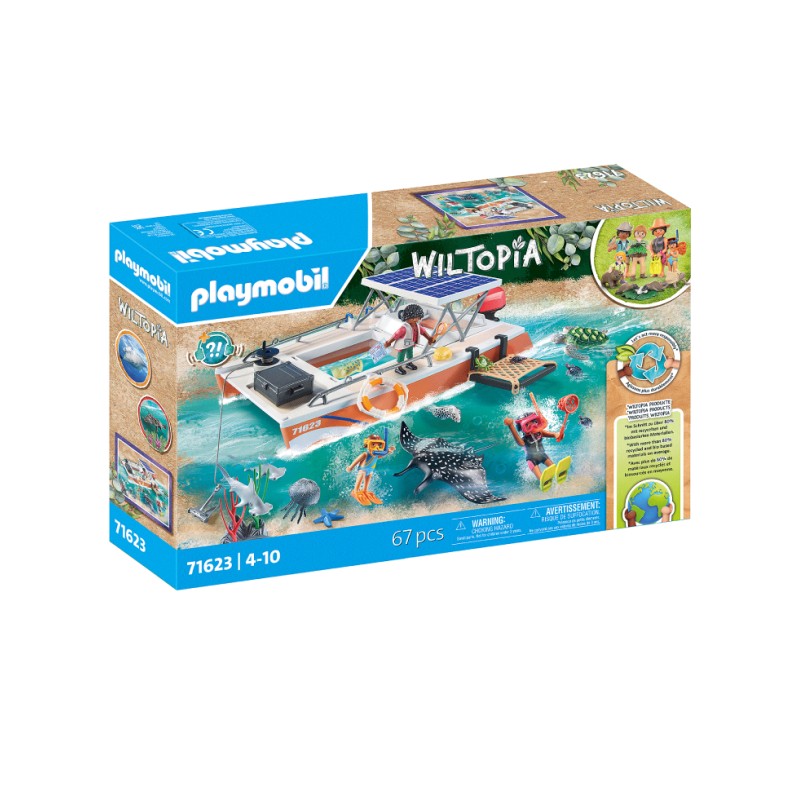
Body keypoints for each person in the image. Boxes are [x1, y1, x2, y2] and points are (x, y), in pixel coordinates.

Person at [346, 428, 394, 506]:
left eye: (378, 445)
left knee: (368, 479)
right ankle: (355, 491)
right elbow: (356, 460)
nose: (376, 447)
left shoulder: (376, 455)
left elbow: (381, 456)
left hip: (370, 470)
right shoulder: (365, 454)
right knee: (361, 477)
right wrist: (350, 467)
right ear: (367, 444)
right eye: (373, 444)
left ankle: (365, 491)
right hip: (362, 470)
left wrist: (388, 451)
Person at [385, 304, 436, 375]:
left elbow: (423, 332)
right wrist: (389, 342)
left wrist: (429, 338)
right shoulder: (404, 328)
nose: (416, 320)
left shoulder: (417, 326)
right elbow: (395, 335)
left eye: (417, 318)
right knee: (401, 356)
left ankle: (409, 363)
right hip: (402, 345)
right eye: (414, 318)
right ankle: (398, 367)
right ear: (407, 317)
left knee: (410, 353)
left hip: (411, 343)